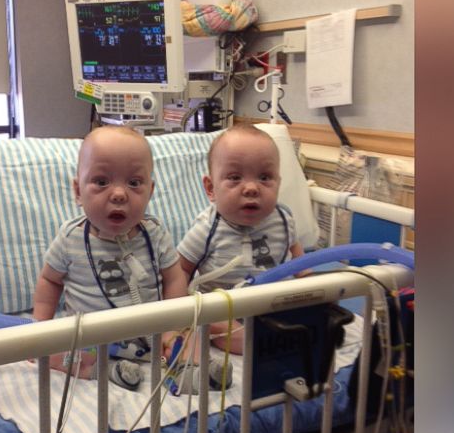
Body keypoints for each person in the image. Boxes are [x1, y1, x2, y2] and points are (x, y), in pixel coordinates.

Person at [32, 126, 187, 390]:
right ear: (78, 191)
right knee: (50, 356)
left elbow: (174, 278)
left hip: (149, 337)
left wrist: (173, 327)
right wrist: (40, 328)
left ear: (150, 191)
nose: (118, 194)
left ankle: (193, 374)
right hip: (90, 341)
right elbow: (50, 279)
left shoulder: (154, 234)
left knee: (192, 339)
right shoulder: (71, 238)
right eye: (102, 182)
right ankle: (106, 372)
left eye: (134, 183)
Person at [177, 124, 305, 356]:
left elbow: (299, 261)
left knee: (308, 322)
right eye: (235, 178)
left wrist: (316, 291)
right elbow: (181, 271)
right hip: (224, 310)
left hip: (271, 304)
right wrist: (180, 315)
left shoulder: (283, 220)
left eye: (265, 177)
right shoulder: (207, 228)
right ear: (210, 188)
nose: (251, 188)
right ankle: (256, 344)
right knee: (228, 332)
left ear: (278, 181)